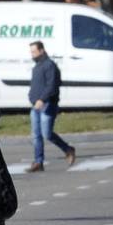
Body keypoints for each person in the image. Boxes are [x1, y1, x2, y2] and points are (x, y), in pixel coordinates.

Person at [26, 40, 75, 172]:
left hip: (48, 104)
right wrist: (31, 98)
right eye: (31, 52)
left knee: (46, 133)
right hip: (35, 106)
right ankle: (38, 162)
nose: (32, 54)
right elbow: (35, 86)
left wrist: (42, 99)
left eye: (34, 51)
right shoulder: (36, 67)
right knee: (36, 135)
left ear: (41, 50)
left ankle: (68, 149)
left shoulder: (50, 65)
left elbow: (52, 85)